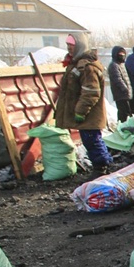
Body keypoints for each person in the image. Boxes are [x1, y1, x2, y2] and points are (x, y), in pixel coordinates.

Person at [56, 33, 113, 171]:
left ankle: (102, 168)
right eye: (68, 45)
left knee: (92, 140)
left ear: (80, 46)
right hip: (86, 113)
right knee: (91, 140)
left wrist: (80, 111)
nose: (69, 48)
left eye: (72, 45)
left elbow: (91, 92)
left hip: (89, 114)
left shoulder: (88, 67)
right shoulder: (76, 64)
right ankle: (104, 165)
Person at [107, 45, 133, 121]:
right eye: (120, 54)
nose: (122, 55)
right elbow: (117, 79)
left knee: (127, 112)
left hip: (126, 94)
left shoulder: (122, 65)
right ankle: (123, 126)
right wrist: (125, 88)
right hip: (120, 94)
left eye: (123, 54)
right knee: (124, 113)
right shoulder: (114, 65)